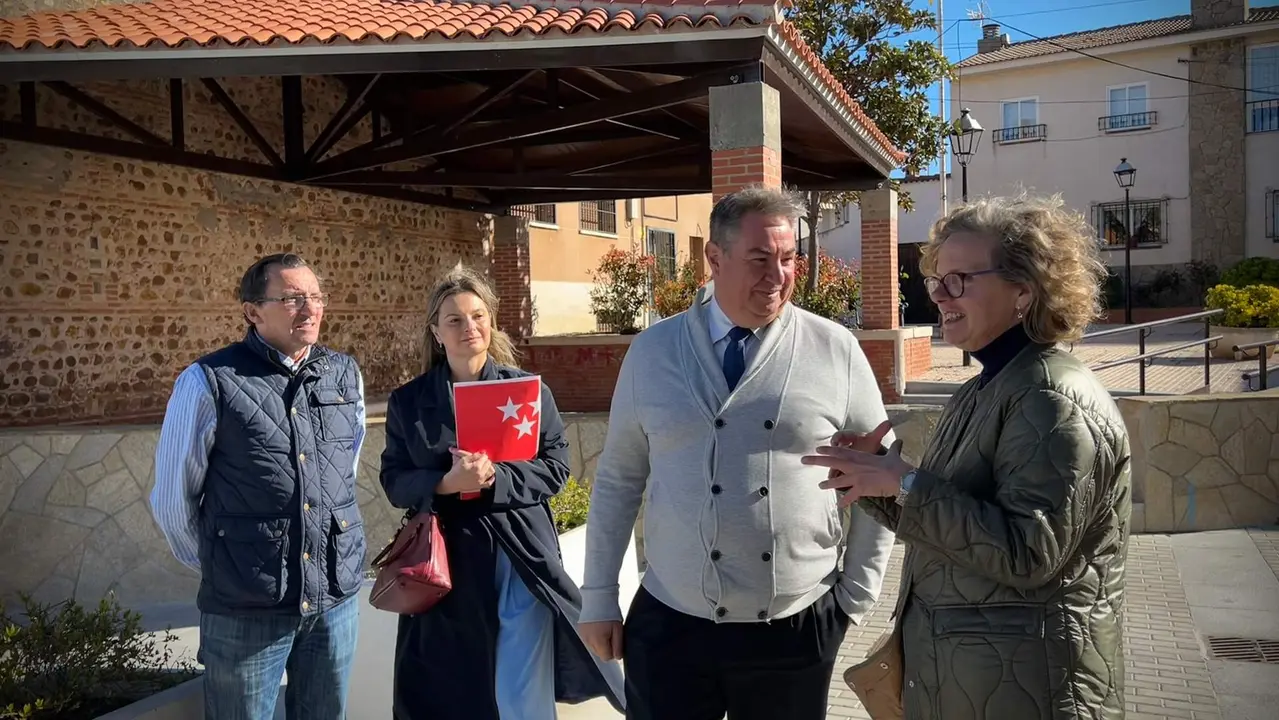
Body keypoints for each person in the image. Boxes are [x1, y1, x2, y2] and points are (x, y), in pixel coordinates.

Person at [803, 193, 1133, 720]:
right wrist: (878, 484)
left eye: (959, 280)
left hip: (1029, 686)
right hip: (977, 678)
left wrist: (906, 484)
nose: (939, 295)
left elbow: (1029, 552)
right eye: (937, 280)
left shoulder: (1051, 399)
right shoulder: (989, 385)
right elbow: (955, 521)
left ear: (1024, 289)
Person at [578, 186, 898, 720]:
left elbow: (882, 473)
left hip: (795, 627)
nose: (777, 275)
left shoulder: (834, 349)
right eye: (759, 259)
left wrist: (855, 598)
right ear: (714, 257)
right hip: (671, 622)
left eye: (789, 258)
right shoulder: (652, 351)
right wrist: (598, 597)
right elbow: (618, 479)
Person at [379, 267, 625, 720]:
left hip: (519, 555)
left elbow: (555, 468)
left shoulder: (528, 391)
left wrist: (495, 479)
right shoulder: (408, 402)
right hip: (447, 565)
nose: (468, 327)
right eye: (454, 319)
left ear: (491, 323)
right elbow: (394, 479)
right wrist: (445, 484)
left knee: (520, 692)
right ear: (436, 331)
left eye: (477, 316)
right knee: (455, 691)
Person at [150, 252, 366, 720]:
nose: (309, 309)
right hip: (245, 610)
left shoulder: (344, 373)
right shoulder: (207, 380)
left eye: (315, 297)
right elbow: (172, 500)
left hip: (333, 600)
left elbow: (343, 469)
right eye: (291, 299)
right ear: (252, 311)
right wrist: (227, 561)